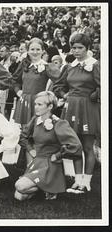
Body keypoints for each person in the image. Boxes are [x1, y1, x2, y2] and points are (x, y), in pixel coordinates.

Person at [53, 33, 100, 192]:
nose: (77, 51)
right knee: (75, 144)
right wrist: (64, 95)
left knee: (87, 145)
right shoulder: (68, 66)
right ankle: (77, 180)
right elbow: (58, 86)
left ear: (87, 48)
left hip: (87, 107)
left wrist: (96, 93)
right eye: (74, 48)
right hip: (71, 106)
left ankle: (86, 181)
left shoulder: (95, 65)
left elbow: (103, 84)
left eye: (80, 48)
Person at [14, 91, 82, 201]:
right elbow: (23, 136)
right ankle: (46, 189)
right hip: (37, 161)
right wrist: (31, 149)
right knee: (19, 196)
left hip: (51, 164)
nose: (36, 107)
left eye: (40, 104)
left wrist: (59, 155)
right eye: (35, 104)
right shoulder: (35, 120)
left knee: (20, 186)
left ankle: (50, 186)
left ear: (50, 106)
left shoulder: (59, 123)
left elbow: (75, 145)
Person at [12, 37, 61, 126]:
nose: (35, 52)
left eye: (38, 49)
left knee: (37, 129)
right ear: (28, 51)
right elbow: (15, 80)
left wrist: (51, 96)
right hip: (24, 100)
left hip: (39, 102)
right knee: (23, 130)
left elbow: (61, 81)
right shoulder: (24, 64)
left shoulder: (47, 66)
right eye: (32, 49)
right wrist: (17, 90)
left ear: (43, 51)